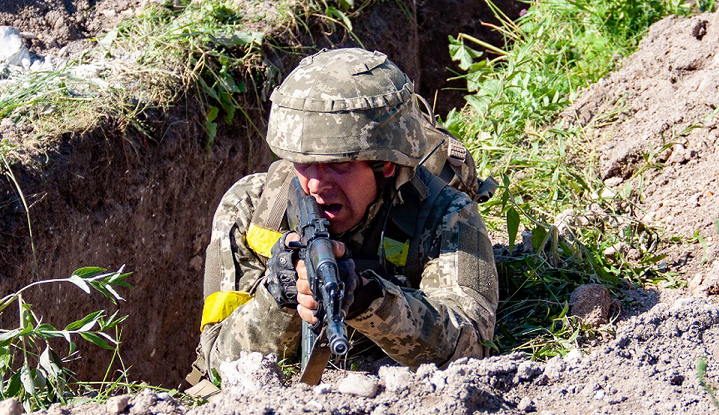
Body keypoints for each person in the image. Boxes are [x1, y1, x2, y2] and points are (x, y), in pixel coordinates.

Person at [185, 48, 498, 391]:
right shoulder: (251, 206)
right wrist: (279, 298)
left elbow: (470, 346)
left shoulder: (446, 214)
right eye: (304, 164)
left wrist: (371, 300)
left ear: (386, 165)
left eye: (339, 165)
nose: (316, 184)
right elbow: (217, 359)